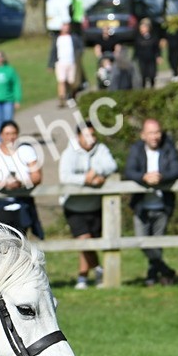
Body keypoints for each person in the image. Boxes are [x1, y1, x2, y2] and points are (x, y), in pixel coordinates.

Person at [124, 119, 178, 286]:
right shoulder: (136, 149)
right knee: (142, 243)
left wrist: (160, 177)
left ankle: (152, 276)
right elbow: (129, 171)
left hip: (162, 205)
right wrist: (144, 177)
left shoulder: (168, 148)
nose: (155, 136)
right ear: (143, 135)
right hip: (141, 206)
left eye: (157, 132)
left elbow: (177, 170)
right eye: (151, 133)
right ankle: (166, 272)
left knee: (157, 245)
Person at [59, 124, 118, 289]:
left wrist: (97, 171)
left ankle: (84, 277)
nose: (90, 139)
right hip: (74, 206)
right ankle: (96, 271)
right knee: (84, 241)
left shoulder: (101, 149)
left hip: (95, 205)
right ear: (78, 137)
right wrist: (87, 179)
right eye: (86, 136)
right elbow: (65, 176)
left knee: (90, 243)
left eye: (93, 135)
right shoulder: (69, 152)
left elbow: (111, 165)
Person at [0, 120, 43, 238]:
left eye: (13, 133)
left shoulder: (26, 151)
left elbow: (37, 176)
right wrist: (4, 184)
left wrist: (21, 183)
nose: (11, 137)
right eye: (7, 134)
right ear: (1, 135)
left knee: (20, 242)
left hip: (22, 203)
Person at [48, 22, 83, 108]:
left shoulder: (73, 37)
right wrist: (50, 64)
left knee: (72, 82)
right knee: (61, 81)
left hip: (71, 62)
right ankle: (62, 99)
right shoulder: (57, 39)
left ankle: (71, 96)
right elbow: (53, 52)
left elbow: (80, 47)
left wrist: (78, 57)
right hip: (60, 63)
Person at [133, 19, 161, 88]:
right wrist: (134, 58)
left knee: (152, 75)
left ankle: (152, 87)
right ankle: (143, 88)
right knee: (143, 75)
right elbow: (136, 49)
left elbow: (156, 48)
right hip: (142, 59)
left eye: (143, 28)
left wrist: (158, 56)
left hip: (151, 58)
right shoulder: (138, 38)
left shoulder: (153, 37)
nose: (142, 29)